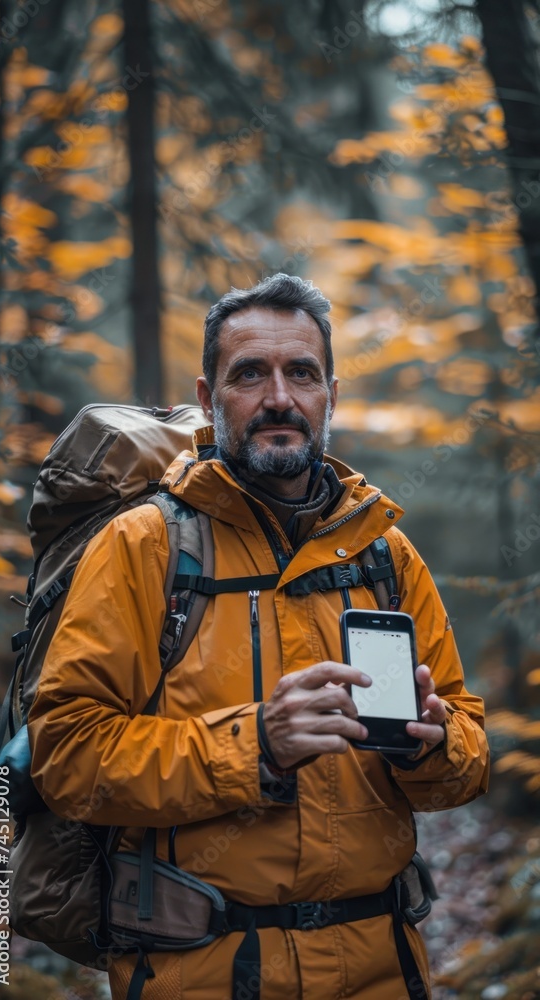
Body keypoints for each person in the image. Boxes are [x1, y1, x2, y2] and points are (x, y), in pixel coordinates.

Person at [29, 273, 489, 1000]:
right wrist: (257, 745)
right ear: (211, 401)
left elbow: (468, 753)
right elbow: (68, 757)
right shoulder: (144, 548)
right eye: (251, 374)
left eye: (300, 373)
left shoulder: (385, 554)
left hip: (382, 969)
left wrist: (430, 747)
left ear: (329, 393)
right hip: (202, 970)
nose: (280, 397)